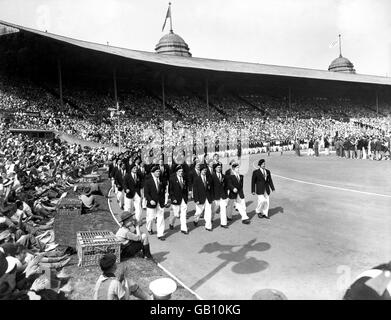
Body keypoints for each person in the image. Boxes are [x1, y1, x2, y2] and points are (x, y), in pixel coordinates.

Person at [144, 165, 167, 241]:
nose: (158, 173)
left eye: (159, 171)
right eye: (157, 171)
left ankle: (160, 234)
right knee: (150, 218)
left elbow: (164, 192)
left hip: (160, 202)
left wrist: (164, 201)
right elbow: (146, 193)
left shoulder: (162, 181)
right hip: (152, 203)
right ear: (153, 172)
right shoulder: (148, 181)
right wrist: (150, 200)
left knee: (161, 218)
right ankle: (149, 228)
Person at [168, 165, 189, 235]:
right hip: (176, 199)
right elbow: (170, 190)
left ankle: (184, 228)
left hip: (183, 199)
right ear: (176, 172)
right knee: (175, 214)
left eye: (182, 171)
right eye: (179, 171)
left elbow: (186, 188)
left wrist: (186, 196)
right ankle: (171, 223)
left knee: (183, 214)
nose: (181, 173)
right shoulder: (172, 179)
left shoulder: (184, 178)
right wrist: (173, 198)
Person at [192, 164, 214, 231]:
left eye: (205, 170)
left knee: (208, 212)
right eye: (203, 170)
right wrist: (196, 200)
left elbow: (211, 189)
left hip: (208, 198)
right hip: (200, 198)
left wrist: (212, 197)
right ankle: (195, 220)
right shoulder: (197, 179)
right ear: (200, 171)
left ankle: (208, 226)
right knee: (199, 212)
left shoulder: (209, 178)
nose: (204, 171)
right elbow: (195, 191)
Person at [212, 163, 228, 228]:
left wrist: (226, 194)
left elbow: (226, 186)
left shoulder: (224, 176)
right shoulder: (212, 176)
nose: (219, 168)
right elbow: (211, 187)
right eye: (218, 167)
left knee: (223, 209)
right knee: (214, 210)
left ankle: (223, 223)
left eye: (220, 167)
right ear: (215, 168)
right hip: (215, 196)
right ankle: (210, 219)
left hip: (222, 195)